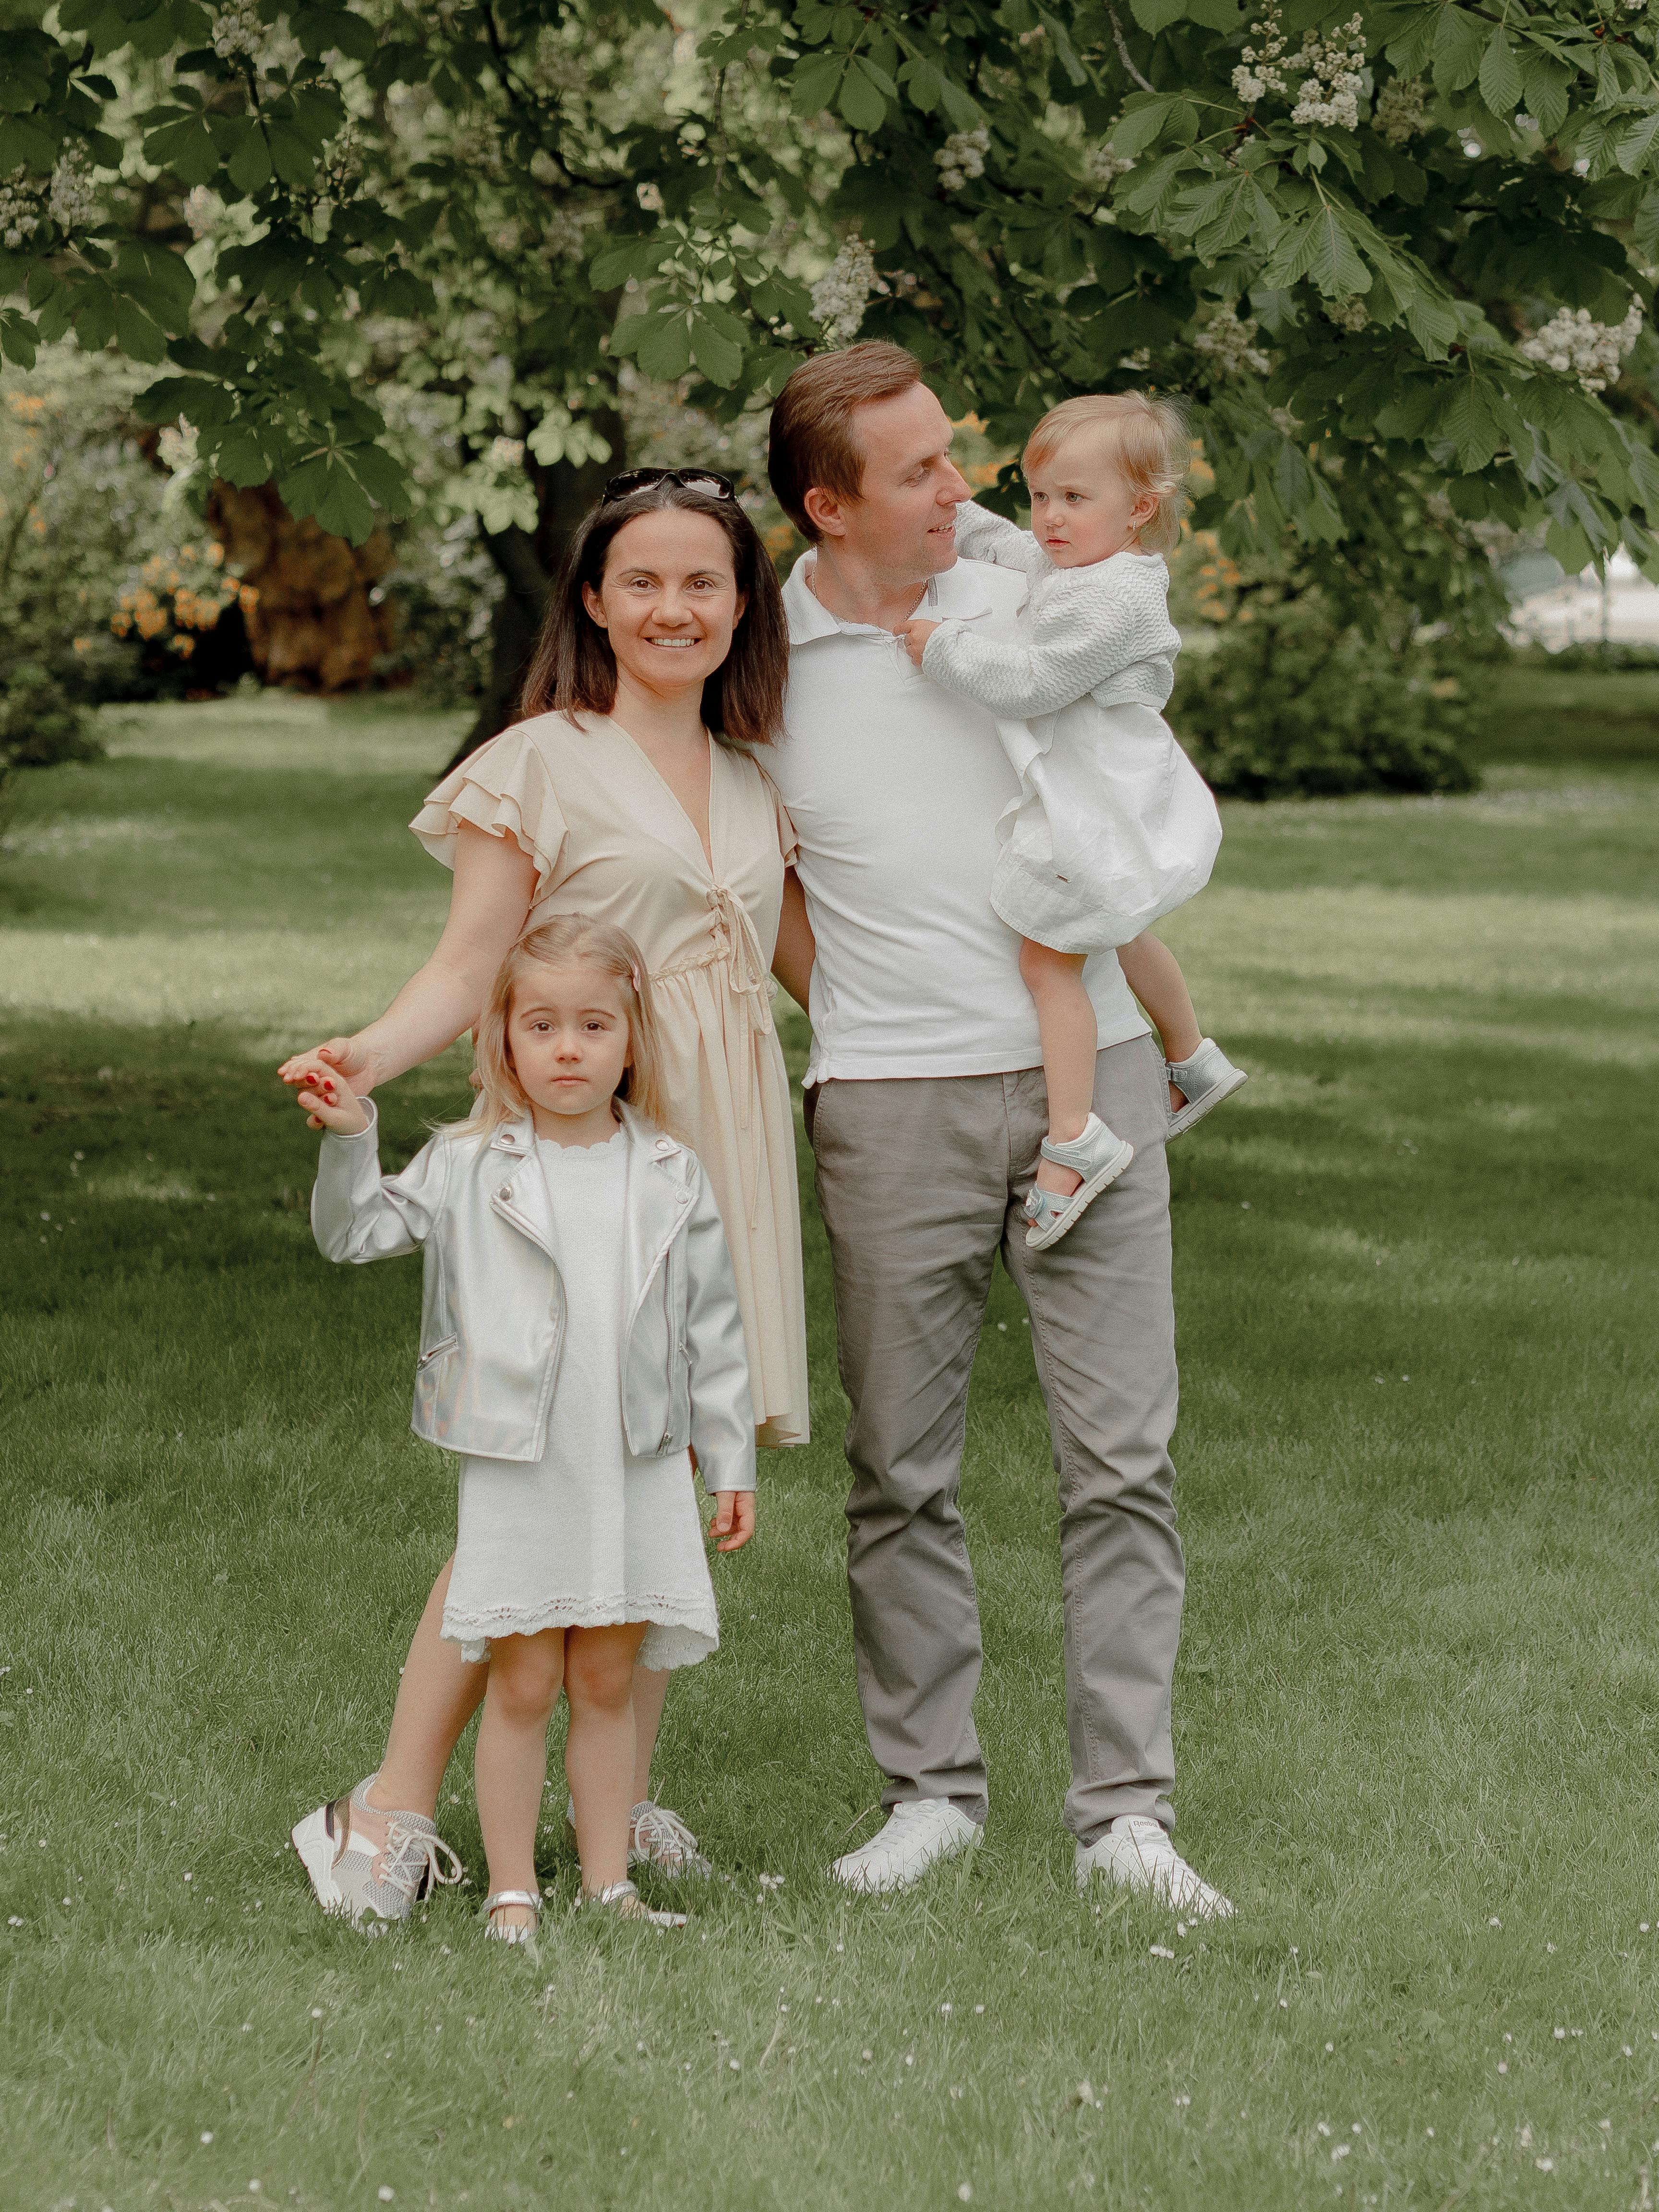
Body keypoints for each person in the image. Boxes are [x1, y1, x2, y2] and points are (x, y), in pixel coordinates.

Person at [278, 469, 813, 1922]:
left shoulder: (762, 779)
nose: (673, 608)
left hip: (714, 1155)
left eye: (705, 582)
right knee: (530, 1496)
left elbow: (814, 973)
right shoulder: (541, 761)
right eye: (641, 580)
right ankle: (385, 1818)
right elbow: (471, 965)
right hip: (574, 1146)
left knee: (645, 1475)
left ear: (743, 604)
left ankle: (618, 1812)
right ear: (592, 598)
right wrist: (367, 1061)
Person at [763, 342, 1232, 1915]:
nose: (956, 483)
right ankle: (929, 1793)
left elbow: (1118, 767)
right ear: (828, 506)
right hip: (887, 1097)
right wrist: (859, 1015)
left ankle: (1126, 1816)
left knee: (1124, 1457)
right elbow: (745, 866)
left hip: (1081, 1067)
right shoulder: (761, 655)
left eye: (950, 452)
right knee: (899, 1463)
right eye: (913, 470)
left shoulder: (1042, 586)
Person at [290, 916, 755, 1938]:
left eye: (594, 1025)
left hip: (632, 1463)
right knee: (526, 1678)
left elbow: (714, 1326)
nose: (569, 1047)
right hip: (519, 1464)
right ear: (501, 1040)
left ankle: (607, 1886)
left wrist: (729, 1457)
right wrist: (353, 1135)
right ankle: (512, 1891)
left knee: (604, 1677)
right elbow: (355, 1232)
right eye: (541, 1025)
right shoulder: (467, 1164)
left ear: (632, 1041)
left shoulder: (670, 1171)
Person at [902, 391, 1245, 1250]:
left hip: (1099, 796)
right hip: (1111, 785)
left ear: (1140, 510)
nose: (1049, 517)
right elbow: (1018, 550)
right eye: (1039, 493)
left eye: (1073, 498)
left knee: (1048, 963)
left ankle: (1074, 1139)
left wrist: (940, 647)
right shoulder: (1090, 564)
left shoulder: (1113, 599)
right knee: (1121, 928)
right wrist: (961, 514)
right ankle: (1195, 1056)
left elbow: (1033, 684)